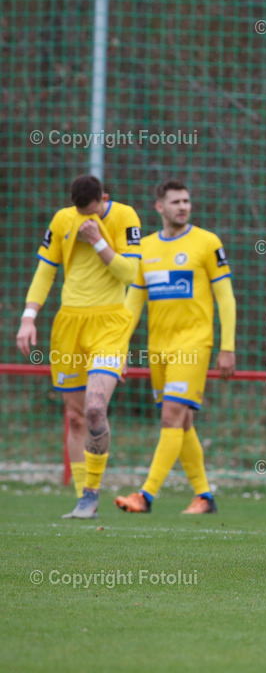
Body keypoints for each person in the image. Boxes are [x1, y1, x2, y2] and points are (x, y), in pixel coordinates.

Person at [16, 175, 141, 518]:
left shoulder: (125, 216)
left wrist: (98, 241)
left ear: (104, 198)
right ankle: (84, 500)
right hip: (68, 325)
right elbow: (45, 271)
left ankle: (92, 491)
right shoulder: (62, 219)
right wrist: (29, 316)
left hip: (109, 324)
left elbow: (129, 273)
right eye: (81, 212)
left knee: (95, 409)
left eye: (93, 210)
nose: (87, 217)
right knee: (74, 417)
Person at [113, 180, 235, 515]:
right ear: (159, 207)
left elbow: (225, 297)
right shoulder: (145, 248)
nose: (183, 207)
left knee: (171, 416)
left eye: (186, 201)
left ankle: (145, 495)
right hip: (158, 348)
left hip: (193, 344)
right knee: (182, 422)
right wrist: (118, 349)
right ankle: (204, 496)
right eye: (176, 202)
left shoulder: (207, 242)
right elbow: (132, 304)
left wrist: (227, 346)